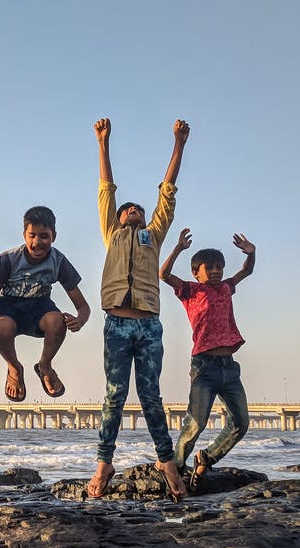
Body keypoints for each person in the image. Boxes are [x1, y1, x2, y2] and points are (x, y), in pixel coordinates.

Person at [86, 117, 190, 501]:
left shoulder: (153, 235)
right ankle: (104, 462)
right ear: (116, 218)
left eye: (137, 210)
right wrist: (103, 142)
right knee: (114, 396)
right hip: (116, 323)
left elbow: (167, 193)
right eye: (125, 209)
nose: (131, 210)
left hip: (148, 327)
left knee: (150, 396)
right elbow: (106, 189)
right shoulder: (111, 233)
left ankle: (166, 462)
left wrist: (178, 144)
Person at [161, 228, 256, 491]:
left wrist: (252, 253)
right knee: (196, 422)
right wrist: (179, 248)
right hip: (204, 367)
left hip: (230, 369)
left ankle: (207, 458)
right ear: (196, 272)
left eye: (219, 267)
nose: (216, 271)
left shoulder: (226, 287)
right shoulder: (190, 291)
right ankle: (176, 469)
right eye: (209, 267)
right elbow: (164, 275)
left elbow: (246, 272)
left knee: (241, 423)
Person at [0, 206, 91, 401]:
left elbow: (83, 306)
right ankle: (14, 368)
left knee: (57, 320)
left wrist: (80, 320)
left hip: (39, 307)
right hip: (8, 306)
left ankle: (45, 366)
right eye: (32, 235)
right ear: (24, 235)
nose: (37, 242)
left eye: (44, 236)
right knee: (1, 327)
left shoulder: (58, 261)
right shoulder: (7, 259)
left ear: (54, 236)